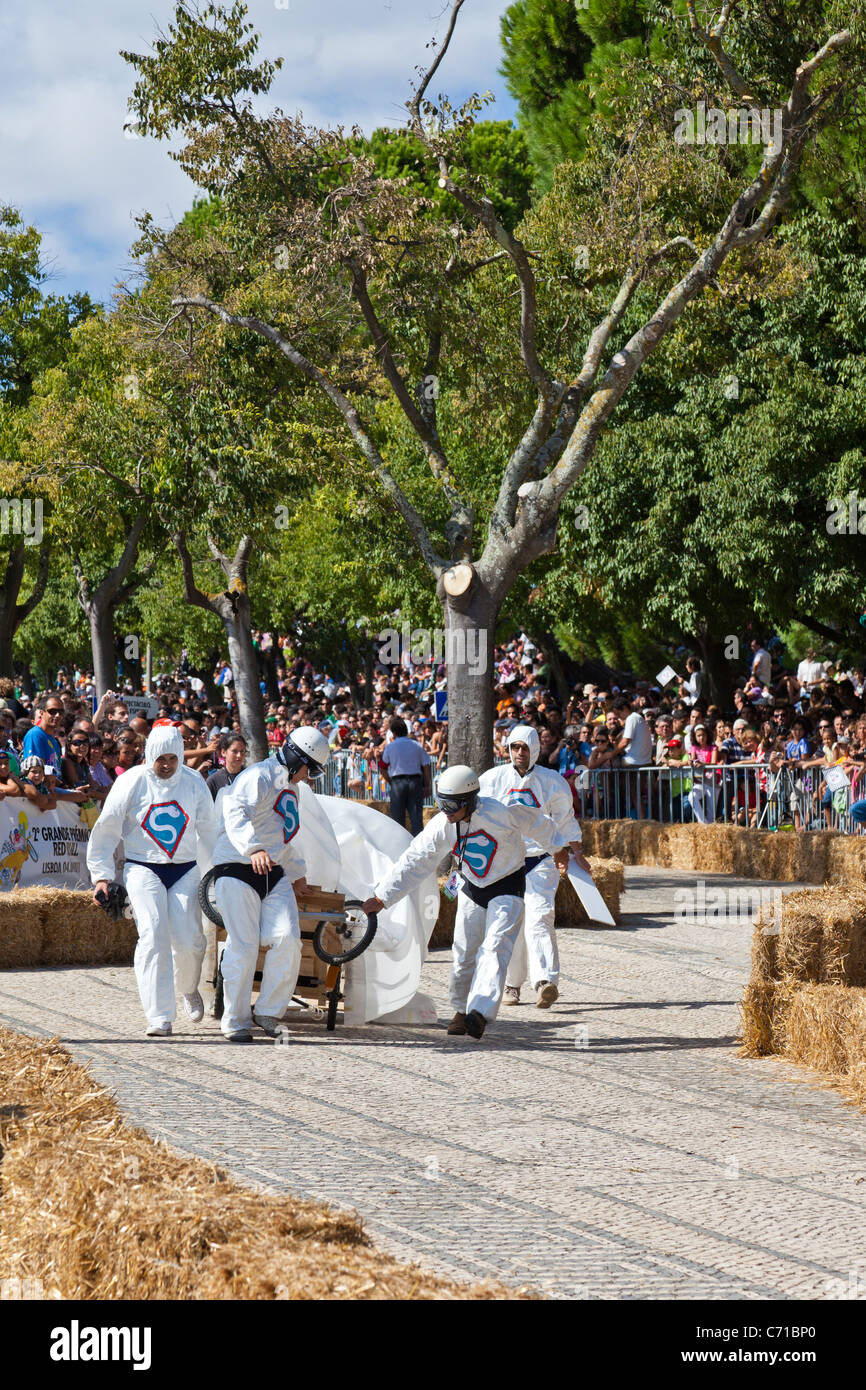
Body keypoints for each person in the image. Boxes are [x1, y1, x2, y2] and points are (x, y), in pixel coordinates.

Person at [362, 764, 569, 1040]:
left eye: (451, 805)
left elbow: (538, 823)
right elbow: (415, 860)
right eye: (440, 803)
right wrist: (382, 896)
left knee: (496, 946)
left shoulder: (503, 812)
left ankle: (479, 1013)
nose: (445, 810)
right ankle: (460, 1009)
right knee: (463, 952)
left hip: (506, 885)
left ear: (469, 801)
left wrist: (560, 848)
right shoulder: (442, 825)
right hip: (471, 887)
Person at [86, 725, 218, 1037]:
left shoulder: (194, 782)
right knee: (154, 934)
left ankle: (187, 987)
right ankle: (159, 1015)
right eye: (161, 758)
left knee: (191, 941)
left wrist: (218, 873)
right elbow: (107, 828)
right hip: (142, 868)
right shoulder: (130, 781)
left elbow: (210, 829)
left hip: (185, 869)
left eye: (174, 758)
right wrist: (102, 877)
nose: (167, 764)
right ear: (149, 756)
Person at [210, 726, 330, 1042]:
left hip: (272, 872)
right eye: (309, 768)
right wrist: (254, 848)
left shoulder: (293, 788)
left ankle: (267, 1011)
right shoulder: (258, 775)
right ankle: (235, 1020)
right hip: (236, 867)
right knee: (245, 945)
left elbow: (281, 836)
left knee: (288, 939)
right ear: (295, 758)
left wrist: (296, 871)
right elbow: (234, 810)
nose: (309, 776)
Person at [480, 725, 590, 1009]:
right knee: (511, 924)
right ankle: (511, 985)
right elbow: (474, 814)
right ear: (507, 749)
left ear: (535, 750)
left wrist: (576, 852)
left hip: (541, 858)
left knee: (540, 917)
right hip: (505, 862)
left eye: (524, 747)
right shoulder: (492, 779)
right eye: (514, 747)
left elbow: (565, 819)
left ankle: (544, 982)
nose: (519, 752)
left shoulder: (552, 781)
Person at [380, 716, 432, 835]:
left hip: (397, 782)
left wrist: (390, 781)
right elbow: (426, 766)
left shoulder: (390, 747)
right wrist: (427, 785)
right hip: (415, 781)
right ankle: (418, 845)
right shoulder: (416, 745)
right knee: (416, 818)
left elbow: (382, 767)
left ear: (393, 733)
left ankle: (400, 845)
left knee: (397, 819)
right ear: (406, 731)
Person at [206, 733, 248, 800]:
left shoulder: (250, 777)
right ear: (223, 752)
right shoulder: (213, 781)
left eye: (242, 751)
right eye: (234, 751)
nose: (239, 755)